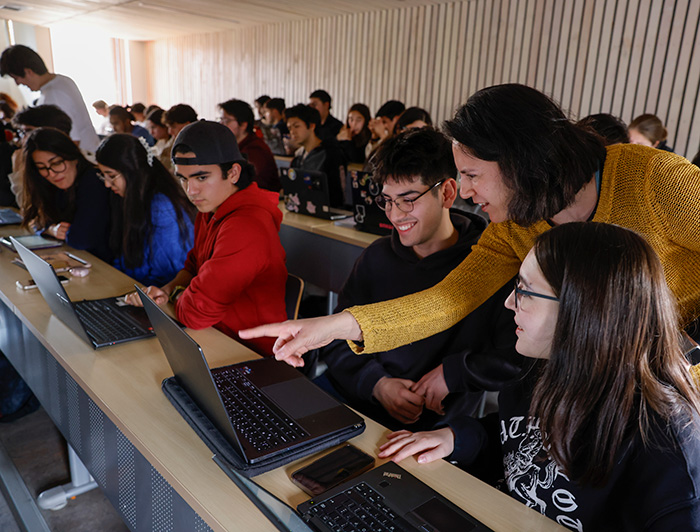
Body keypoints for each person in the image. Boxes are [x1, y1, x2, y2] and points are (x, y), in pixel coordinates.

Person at [240, 84, 700, 370]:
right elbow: (449, 299)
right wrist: (337, 325)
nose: (462, 191)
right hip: (596, 374)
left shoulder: (654, 180)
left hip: (675, 377)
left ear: (521, 161)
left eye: (473, 175)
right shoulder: (517, 223)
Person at [378, 222, 700, 531]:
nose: (509, 303)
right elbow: (518, 440)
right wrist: (455, 438)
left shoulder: (667, 448)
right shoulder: (545, 364)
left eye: (526, 291)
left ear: (582, 311)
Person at [317, 128, 519, 430]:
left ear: (447, 193)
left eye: (408, 200)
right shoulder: (376, 256)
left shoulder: (492, 266)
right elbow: (336, 341)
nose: (395, 215)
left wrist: (454, 373)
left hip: (424, 428)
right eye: (387, 201)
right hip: (351, 397)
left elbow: (513, 358)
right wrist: (377, 383)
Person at [123, 121, 287, 356]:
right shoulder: (211, 209)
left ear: (233, 173)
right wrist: (168, 290)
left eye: (201, 178)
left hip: (250, 354)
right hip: (214, 335)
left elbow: (195, 314)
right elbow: (193, 268)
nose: (191, 190)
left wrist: (180, 295)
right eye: (183, 179)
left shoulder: (246, 226)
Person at [95, 134, 194, 286]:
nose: (107, 184)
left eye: (112, 176)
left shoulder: (161, 207)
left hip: (161, 292)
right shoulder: (131, 197)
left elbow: (165, 273)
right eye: (103, 176)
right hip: (139, 286)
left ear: (133, 171)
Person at [21, 127, 111, 261]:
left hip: (105, 264)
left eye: (56, 163)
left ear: (73, 157)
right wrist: (51, 229)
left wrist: (61, 231)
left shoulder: (93, 181)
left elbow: (81, 240)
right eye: (42, 167)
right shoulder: (50, 185)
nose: (51, 174)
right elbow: (33, 219)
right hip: (78, 259)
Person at [0, 45, 100, 153]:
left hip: (81, 156)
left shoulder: (54, 94)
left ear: (28, 71)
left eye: (16, 78)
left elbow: (71, 140)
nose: (18, 83)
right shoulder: (62, 80)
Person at [287, 104, 346, 208]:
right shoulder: (297, 159)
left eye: (296, 126)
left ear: (311, 126)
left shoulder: (330, 154)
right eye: (289, 128)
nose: (292, 132)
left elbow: (338, 195)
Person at [217, 98, 280, 192]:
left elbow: (245, 185)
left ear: (243, 125)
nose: (221, 125)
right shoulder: (234, 147)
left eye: (226, 120)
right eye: (221, 120)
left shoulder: (255, 150)